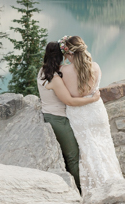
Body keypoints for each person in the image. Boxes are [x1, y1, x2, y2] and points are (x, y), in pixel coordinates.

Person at [59, 35, 123, 195]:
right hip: (96, 111)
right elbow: (95, 92)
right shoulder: (96, 67)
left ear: (69, 53)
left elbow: (67, 96)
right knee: (105, 146)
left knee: (87, 149)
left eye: (65, 54)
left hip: (78, 114)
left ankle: (95, 190)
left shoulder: (63, 71)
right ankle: (113, 182)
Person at [38, 40, 100, 192]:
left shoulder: (42, 71)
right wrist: (92, 99)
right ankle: (81, 191)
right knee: (73, 156)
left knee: (68, 156)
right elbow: (69, 101)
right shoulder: (55, 78)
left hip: (51, 115)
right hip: (58, 119)